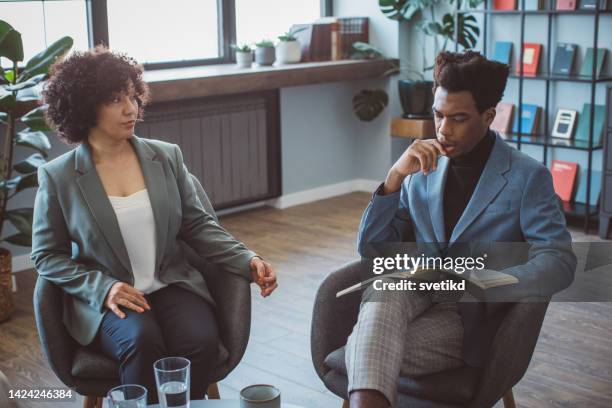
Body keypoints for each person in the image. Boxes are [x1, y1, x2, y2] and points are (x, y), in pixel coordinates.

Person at [30, 46, 277, 404]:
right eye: (116, 99)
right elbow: (47, 257)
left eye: (132, 96)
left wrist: (248, 259)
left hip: (170, 283)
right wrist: (103, 288)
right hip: (109, 300)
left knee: (201, 342)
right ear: (85, 107)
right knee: (141, 341)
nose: (131, 109)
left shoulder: (166, 156)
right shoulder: (59, 178)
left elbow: (198, 226)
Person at [346, 51, 577, 407]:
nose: (443, 129)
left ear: (488, 116)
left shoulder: (528, 177)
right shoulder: (420, 167)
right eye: (437, 115)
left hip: (471, 316)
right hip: (417, 292)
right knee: (388, 288)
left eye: (458, 118)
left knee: (366, 349)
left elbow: (559, 261)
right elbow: (373, 251)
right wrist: (393, 180)